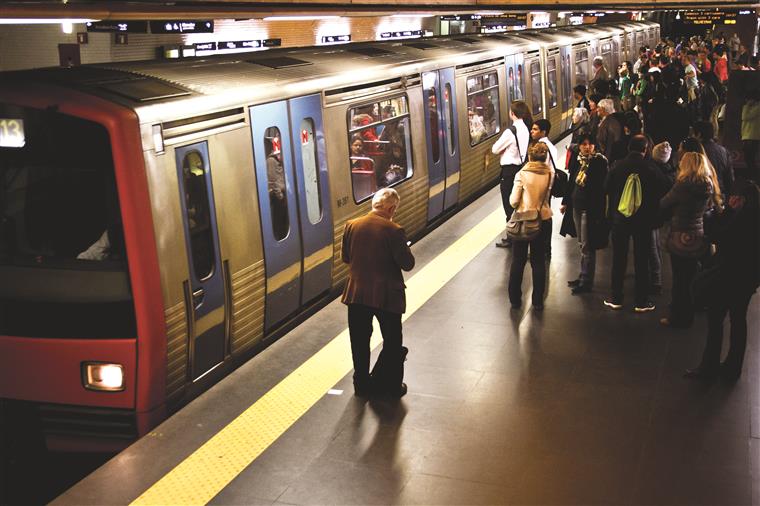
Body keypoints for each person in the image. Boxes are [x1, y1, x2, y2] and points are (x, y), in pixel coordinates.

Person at [341, 188, 415, 398]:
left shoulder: (351, 226)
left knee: (359, 340)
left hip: (356, 293)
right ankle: (391, 385)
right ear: (391, 208)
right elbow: (407, 264)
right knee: (392, 341)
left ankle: (361, 385)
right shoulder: (394, 230)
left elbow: (347, 258)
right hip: (386, 295)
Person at [685, 180, 759, 380]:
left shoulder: (742, 217)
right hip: (747, 279)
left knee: (716, 319)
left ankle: (708, 366)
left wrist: (727, 212)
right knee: (738, 320)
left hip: (728, 275)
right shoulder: (754, 215)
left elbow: (720, 235)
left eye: (735, 197)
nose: (731, 200)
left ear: (742, 199)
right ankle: (733, 368)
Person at [604, 135, 670, 312]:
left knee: (619, 258)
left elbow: (606, 187)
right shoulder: (651, 167)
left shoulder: (617, 165)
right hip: (643, 221)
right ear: (646, 149)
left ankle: (616, 298)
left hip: (620, 220)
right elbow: (665, 187)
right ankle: (641, 301)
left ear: (628, 148)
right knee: (642, 259)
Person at [659, 152, 721, 328]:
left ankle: (678, 318)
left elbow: (664, 203)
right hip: (698, 235)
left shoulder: (682, 185)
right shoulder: (707, 184)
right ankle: (689, 314)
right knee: (691, 278)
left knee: (679, 280)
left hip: (679, 235)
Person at [562, 134, 609, 294]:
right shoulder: (578, 160)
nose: (587, 147)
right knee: (582, 243)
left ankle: (586, 282)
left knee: (587, 246)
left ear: (595, 146)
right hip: (576, 206)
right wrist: (565, 202)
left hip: (589, 209)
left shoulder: (599, 162)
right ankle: (582, 276)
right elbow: (571, 182)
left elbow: (600, 189)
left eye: (590, 144)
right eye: (584, 144)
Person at [508, 143, 553, 310]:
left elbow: (513, 201)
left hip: (524, 221)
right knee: (539, 261)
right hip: (544, 220)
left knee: (518, 261)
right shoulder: (550, 174)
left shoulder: (522, 174)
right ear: (545, 157)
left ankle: (515, 299)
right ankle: (537, 300)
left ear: (529, 157)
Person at [492, 100, 532, 248]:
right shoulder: (526, 129)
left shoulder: (511, 131)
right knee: (518, 203)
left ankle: (512, 236)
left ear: (512, 114)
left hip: (508, 171)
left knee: (508, 204)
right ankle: (518, 232)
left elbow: (495, 149)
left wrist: (503, 149)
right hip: (520, 168)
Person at [530, 118, 562, 259]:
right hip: (546, 186)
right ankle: (545, 248)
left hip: (542, 188)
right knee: (545, 216)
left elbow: (547, 170)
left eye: (535, 129)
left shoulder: (543, 148)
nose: (532, 131)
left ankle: (543, 249)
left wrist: (544, 188)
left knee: (542, 218)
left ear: (543, 132)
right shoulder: (550, 146)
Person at [693, 121, 734, 195]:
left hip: (702, 194)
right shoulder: (724, 151)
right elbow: (729, 178)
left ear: (698, 134)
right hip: (720, 192)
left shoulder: (695, 152)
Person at [741, 88, 760, 180]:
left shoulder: (757, 107)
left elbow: (745, 117)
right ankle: (753, 176)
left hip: (752, 136)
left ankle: (754, 177)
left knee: (750, 158)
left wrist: (746, 106)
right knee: (749, 158)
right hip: (749, 136)